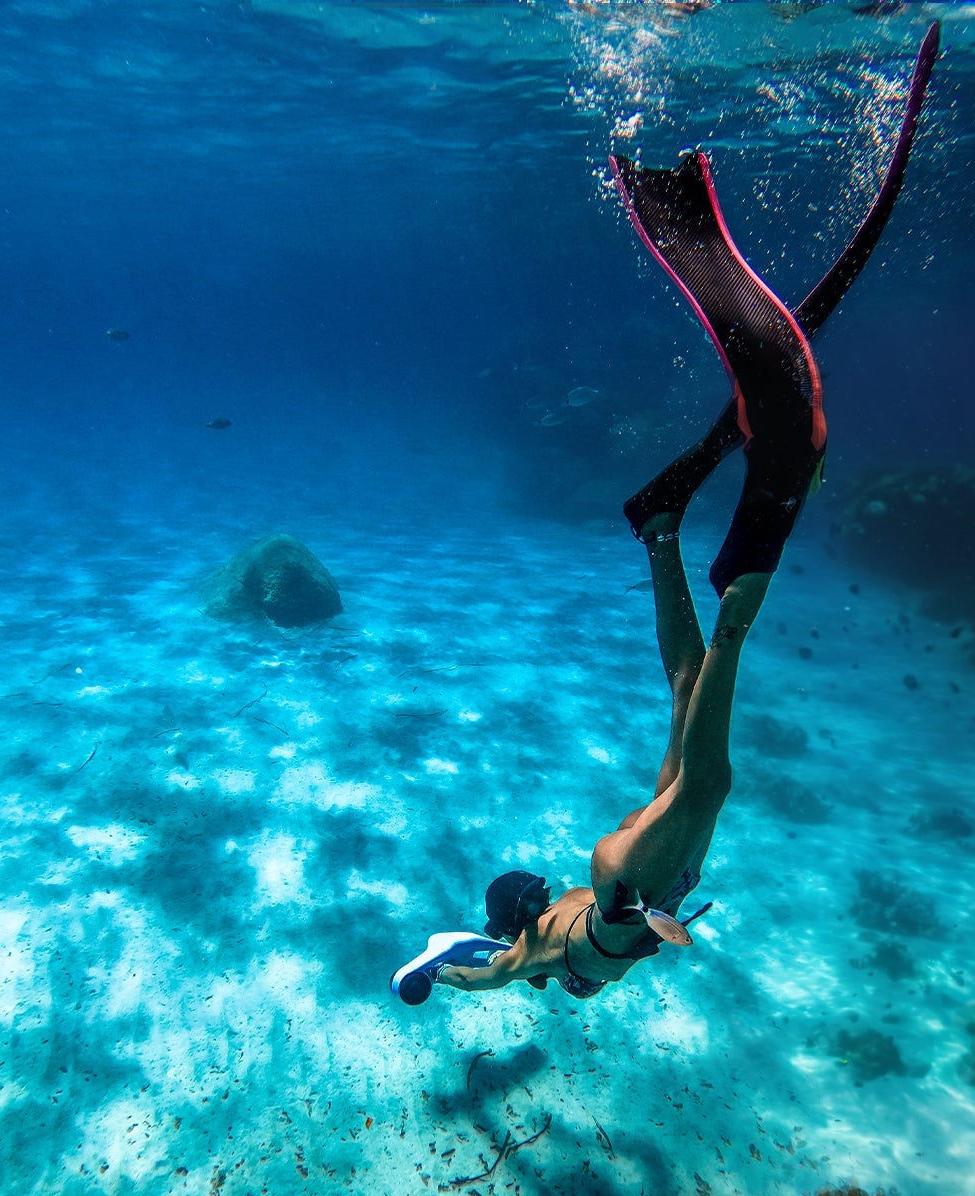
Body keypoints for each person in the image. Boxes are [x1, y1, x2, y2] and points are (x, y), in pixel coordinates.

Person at [391, 23, 939, 1006]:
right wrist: (438, 969)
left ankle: (746, 577)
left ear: (533, 921)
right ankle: (657, 530)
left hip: (634, 879)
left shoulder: (551, 953)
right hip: (628, 871)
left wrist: (443, 967)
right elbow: (474, 969)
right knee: (686, 693)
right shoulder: (530, 960)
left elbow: (486, 964)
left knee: (712, 743)